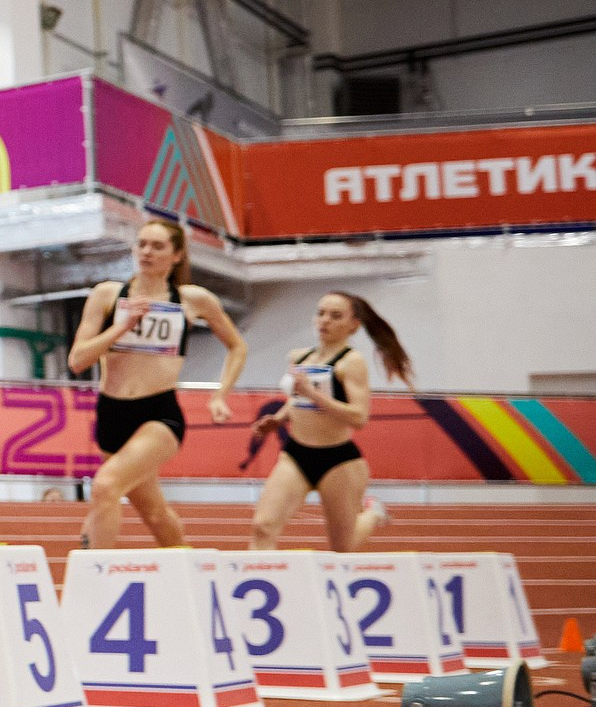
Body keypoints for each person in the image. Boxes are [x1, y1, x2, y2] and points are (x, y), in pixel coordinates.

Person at [66, 219, 247, 548]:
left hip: (158, 414)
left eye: (157, 246)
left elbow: (237, 346)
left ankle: (96, 578)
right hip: (111, 414)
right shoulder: (108, 295)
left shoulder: (193, 299)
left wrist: (221, 395)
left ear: (176, 255)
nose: (147, 252)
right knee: (155, 514)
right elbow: (78, 359)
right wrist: (122, 327)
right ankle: (188, 571)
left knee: (105, 487)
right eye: (142, 244)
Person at [244, 291, 410, 551]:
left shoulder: (351, 363)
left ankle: (373, 513)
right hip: (296, 455)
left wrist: (314, 394)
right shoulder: (298, 358)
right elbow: (297, 400)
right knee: (262, 527)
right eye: (320, 313)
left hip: (338, 460)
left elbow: (359, 417)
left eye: (335, 316)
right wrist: (277, 420)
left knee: (342, 548)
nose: (324, 321)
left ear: (353, 325)